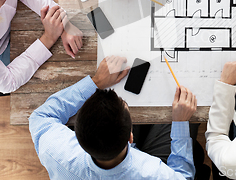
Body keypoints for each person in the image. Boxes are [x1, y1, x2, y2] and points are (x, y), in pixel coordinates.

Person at [29, 55, 198, 179]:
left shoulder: (58, 153)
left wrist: (95, 82)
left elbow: (40, 117)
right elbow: (184, 176)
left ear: (78, 137)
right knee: (183, 117)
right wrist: (181, 122)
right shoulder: (154, 173)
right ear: (130, 137)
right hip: (143, 169)